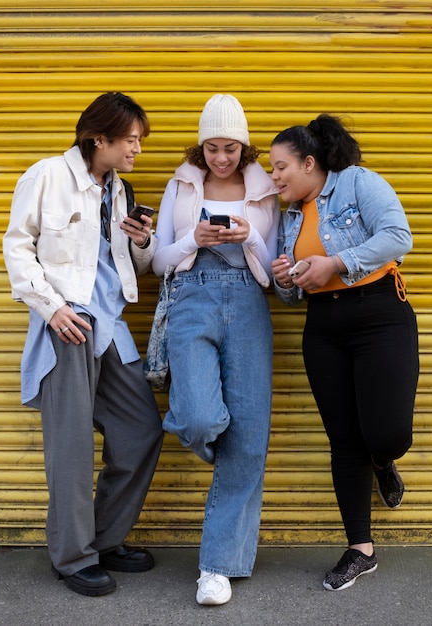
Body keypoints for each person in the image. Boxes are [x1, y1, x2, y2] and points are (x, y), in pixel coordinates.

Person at [2, 92, 164, 597]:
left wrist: (142, 242)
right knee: (70, 449)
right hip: (68, 325)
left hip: (111, 327)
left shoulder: (120, 189)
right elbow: (18, 248)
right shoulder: (47, 176)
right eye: (131, 139)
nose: (137, 148)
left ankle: (101, 538)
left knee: (141, 432)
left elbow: (125, 268)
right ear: (100, 137)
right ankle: (73, 558)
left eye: (139, 139)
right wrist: (52, 309)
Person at [269, 114, 419, 591]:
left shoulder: (358, 183)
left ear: (309, 162)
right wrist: (284, 278)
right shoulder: (289, 215)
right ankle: (361, 548)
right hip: (324, 328)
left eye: (279, 167)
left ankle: (383, 459)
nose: (273, 178)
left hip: (380, 316)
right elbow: (291, 295)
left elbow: (399, 237)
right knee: (344, 440)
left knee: (388, 432)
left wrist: (336, 262)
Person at [152, 94, 280, 605]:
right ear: (200, 145)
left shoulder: (265, 190)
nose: (220, 158)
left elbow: (274, 273)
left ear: (244, 147)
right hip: (190, 297)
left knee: (249, 437)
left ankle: (217, 568)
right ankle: (214, 442)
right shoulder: (181, 183)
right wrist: (193, 241)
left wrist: (249, 238)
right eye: (211, 148)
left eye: (230, 148)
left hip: (249, 302)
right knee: (202, 419)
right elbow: (158, 260)